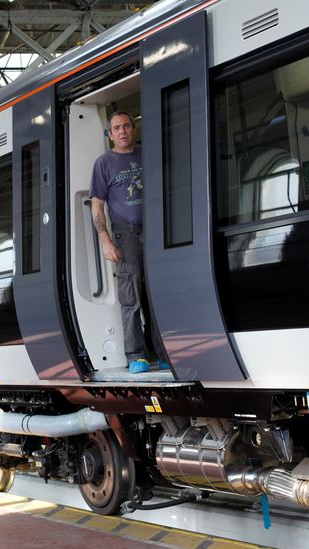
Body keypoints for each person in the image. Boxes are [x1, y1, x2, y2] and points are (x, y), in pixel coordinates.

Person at [90, 111, 168, 374]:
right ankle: (137, 355)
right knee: (131, 296)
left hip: (156, 231)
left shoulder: (148, 154)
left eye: (126, 126)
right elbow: (97, 206)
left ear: (133, 129)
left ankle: (162, 351)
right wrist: (106, 241)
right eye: (116, 128)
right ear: (110, 135)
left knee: (158, 294)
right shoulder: (104, 163)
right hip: (125, 234)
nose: (122, 131)